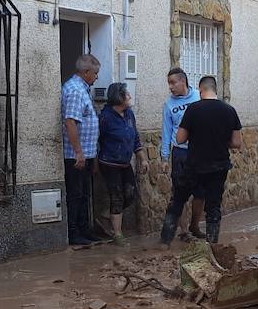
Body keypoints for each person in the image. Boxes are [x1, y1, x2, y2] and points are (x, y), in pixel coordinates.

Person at [160, 76, 241, 246]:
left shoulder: (193, 109)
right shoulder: (230, 110)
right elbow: (236, 143)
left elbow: (180, 139)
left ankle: (164, 242)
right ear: (215, 89)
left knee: (178, 200)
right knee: (213, 206)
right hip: (219, 167)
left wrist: (196, 135)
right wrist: (218, 139)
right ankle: (212, 246)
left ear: (200, 89)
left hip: (194, 165)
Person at [96, 83, 148, 247]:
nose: (130, 97)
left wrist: (142, 157)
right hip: (109, 163)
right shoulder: (105, 117)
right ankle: (117, 234)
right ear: (118, 98)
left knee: (131, 194)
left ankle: (106, 215)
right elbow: (96, 140)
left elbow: (135, 137)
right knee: (117, 196)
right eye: (127, 94)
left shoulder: (129, 114)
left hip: (125, 163)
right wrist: (94, 162)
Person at [161, 67, 204, 240]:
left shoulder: (198, 97)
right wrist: (164, 157)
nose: (170, 87)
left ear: (183, 81)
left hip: (199, 151)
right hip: (180, 152)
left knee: (200, 193)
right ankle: (183, 231)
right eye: (169, 84)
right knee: (179, 193)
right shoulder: (169, 104)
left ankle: (195, 225)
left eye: (173, 83)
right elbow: (166, 131)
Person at [62, 54, 100, 245]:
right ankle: (74, 233)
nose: (97, 77)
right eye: (95, 73)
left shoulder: (83, 89)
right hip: (76, 155)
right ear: (86, 72)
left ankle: (85, 230)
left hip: (86, 154)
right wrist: (79, 152)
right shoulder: (76, 90)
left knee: (84, 194)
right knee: (76, 195)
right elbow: (71, 122)